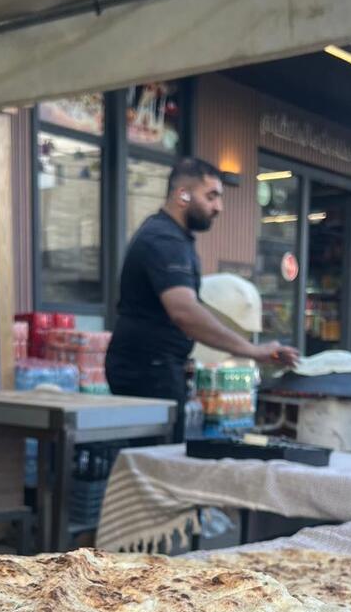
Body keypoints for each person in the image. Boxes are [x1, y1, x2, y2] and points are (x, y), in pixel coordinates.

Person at [105, 157, 299, 440]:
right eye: (211, 196)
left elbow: (191, 310)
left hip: (152, 366)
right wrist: (253, 351)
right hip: (148, 370)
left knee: (158, 461)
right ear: (182, 194)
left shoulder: (172, 237)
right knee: (160, 464)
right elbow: (184, 312)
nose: (218, 207)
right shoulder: (164, 240)